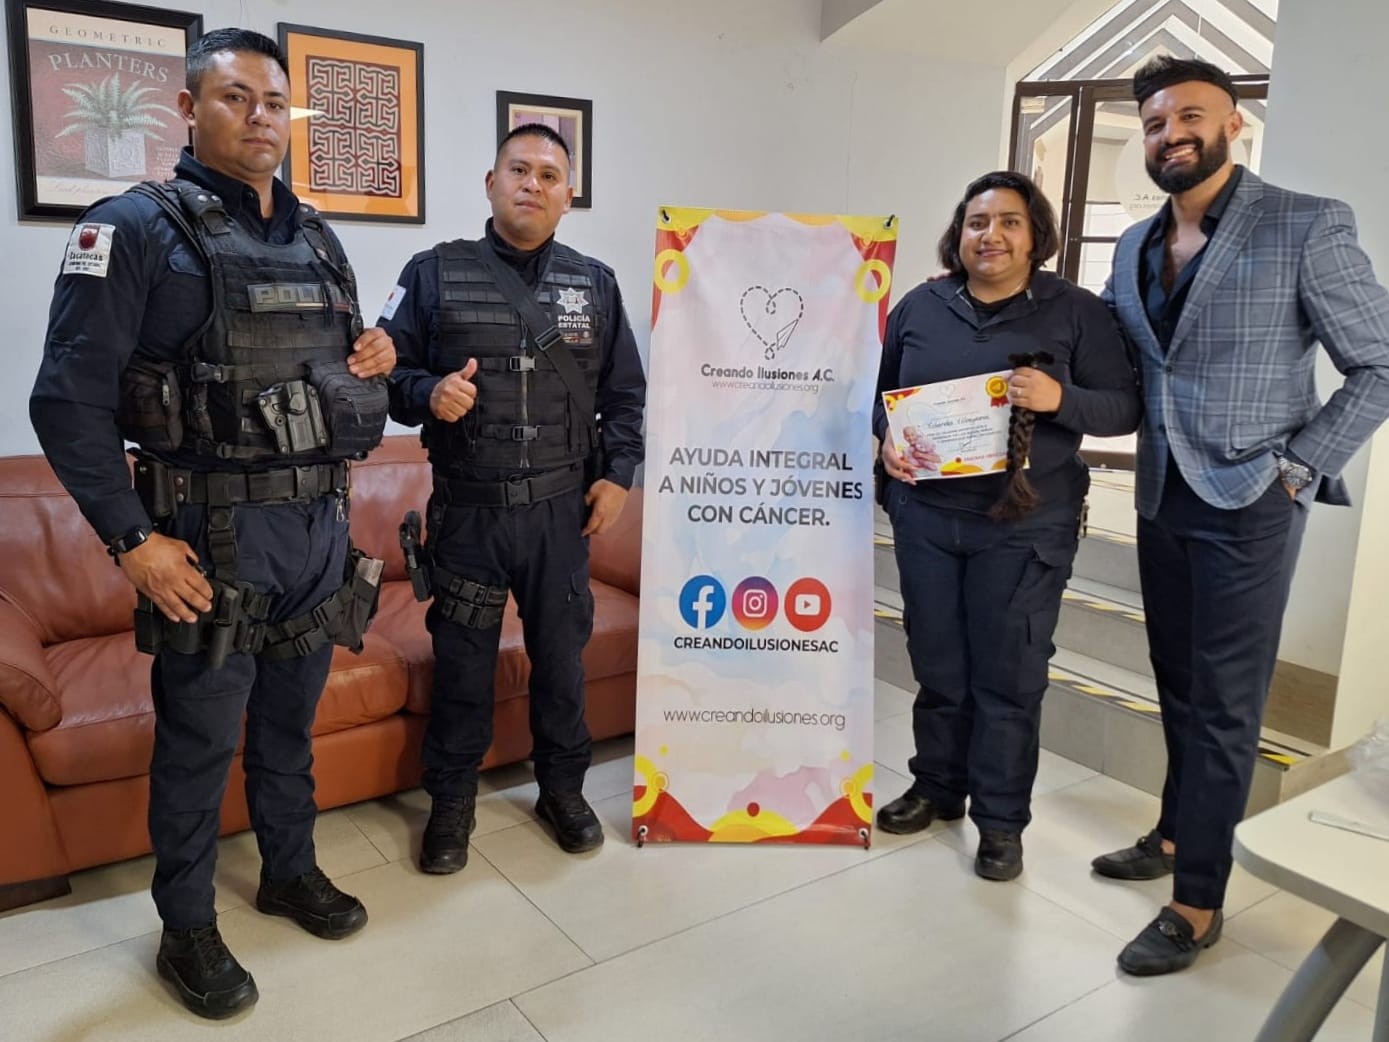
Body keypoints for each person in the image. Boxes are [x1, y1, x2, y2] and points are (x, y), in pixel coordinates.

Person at [29, 29, 395, 1019]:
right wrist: (131, 541)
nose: (262, 117)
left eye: (275, 101)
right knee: (197, 744)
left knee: (290, 728)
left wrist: (371, 359)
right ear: (188, 111)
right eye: (237, 98)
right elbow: (65, 403)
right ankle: (185, 925)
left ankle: (289, 870)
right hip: (209, 540)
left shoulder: (320, 237)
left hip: (317, 531)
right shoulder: (135, 229)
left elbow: (340, 377)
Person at [1091, 55, 1389, 976]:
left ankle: (1197, 902)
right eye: (1152, 121)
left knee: (1224, 703)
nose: (1169, 132)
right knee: (1176, 683)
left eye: (1190, 115)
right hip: (1159, 492)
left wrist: (1298, 468)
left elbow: (1378, 361)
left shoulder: (1304, 223)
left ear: (1231, 125)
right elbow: (1124, 367)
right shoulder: (1134, 243)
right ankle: (1178, 835)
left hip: (1251, 499)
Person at [379, 123, 646, 873]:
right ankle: (453, 800)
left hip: (561, 512)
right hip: (468, 511)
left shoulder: (594, 284)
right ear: (490, 182)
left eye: (549, 174)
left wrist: (618, 476)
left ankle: (562, 789)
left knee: (561, 660)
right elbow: (383, 375)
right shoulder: (430, 274)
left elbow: (625, 396)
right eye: (518, 170)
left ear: (568, 196)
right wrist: (429, 391)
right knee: (461, 660)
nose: (532, 183)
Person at [873, 171, 1140, 881]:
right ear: (957, 234)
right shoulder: (920, 307)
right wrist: (890, 439)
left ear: (1035, 235)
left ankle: (1000, 822)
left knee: (1009, 676)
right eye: (976, 222)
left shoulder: (1076, 313)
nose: (989, 235)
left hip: (1024, 524)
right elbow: (881, 398)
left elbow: (1122, 409)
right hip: (927, 516)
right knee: (936, 664)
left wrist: (1059, 398)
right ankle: (936, 786)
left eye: (1008, 222)